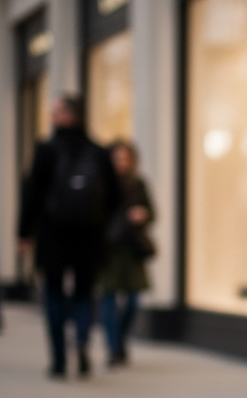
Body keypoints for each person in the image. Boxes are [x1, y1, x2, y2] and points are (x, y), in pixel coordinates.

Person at [17, 93, 120, 377]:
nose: (52, 114)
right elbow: (114, 197)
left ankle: (60, 359)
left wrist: (24, 233)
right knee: (85, 294)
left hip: (53, 235)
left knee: (53, 294)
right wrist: (102, 226)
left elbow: (32, 195)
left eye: (57, 109)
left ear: (69, 115)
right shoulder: (98, 152)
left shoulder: (47, 150)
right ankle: (83, 341)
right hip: (90, 236)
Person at [98, 140, 155, 367]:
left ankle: (120, 340)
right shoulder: (101, 184)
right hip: (108, 250)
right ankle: (113, 349)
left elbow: (152, 212)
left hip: (131, 250)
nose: (121, 163)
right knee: (109, 299)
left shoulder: (138, 184)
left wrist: (143, 214)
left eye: (125, 158)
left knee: (132, 302)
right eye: (117, 158)